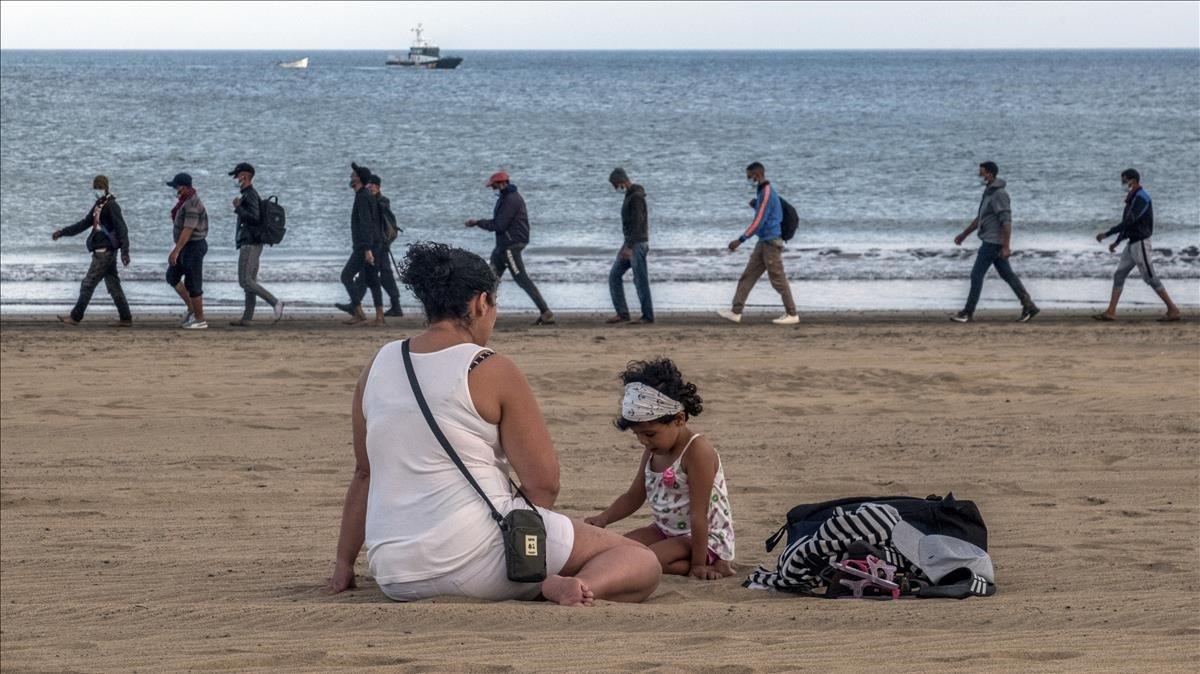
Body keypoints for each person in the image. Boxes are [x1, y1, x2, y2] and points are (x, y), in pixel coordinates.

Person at [327, 242, 661, 605]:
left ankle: (540, 577)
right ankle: (560, 583)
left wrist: (344, 563)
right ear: (480, 303)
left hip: (395, 572)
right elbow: (543, 484)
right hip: (474, 559)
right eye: (494, 305)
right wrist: (526, 548)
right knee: (639, 561)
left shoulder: (377, 364)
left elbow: (365, 473)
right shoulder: (490, 367)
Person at [585, 358, 736, 579]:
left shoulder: (697, 451)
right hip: (664, 530)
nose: (643, 442)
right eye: (637, 435)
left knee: (647, 559)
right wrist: (603, 519)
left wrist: (697, 566)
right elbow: (633, 496)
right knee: (618, 550)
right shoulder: (655, 450)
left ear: (679, 419)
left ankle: (718, 564)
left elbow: (699, 515)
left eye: (650, 434)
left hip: (702, 537)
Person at [951, 161, 1039, 323]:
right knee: (1008, 275)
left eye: (982, 172)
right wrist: (964, 234)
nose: (980, 175)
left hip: (993, 243)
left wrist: (1006, 246)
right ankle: (1029, 306)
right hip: (992, 241)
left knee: (976, 275)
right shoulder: (989, 192)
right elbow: (981, 218)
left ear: (990, 174)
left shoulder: (999, 194)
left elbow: (1006, 221)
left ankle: (967, 312)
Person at [466, 171, 555, 325]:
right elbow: (499, 223)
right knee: (489, 281)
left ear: (501, 183)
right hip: (502, 247)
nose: (492, 188)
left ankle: (545, 311)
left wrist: (478, 223)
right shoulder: (506, 197)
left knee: (521, 279)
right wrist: (480, 223)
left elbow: (499, 225)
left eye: (493, 185)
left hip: (510, 246)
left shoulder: (510, 200)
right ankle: (482, 315)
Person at [1093, 169, 1181, 322]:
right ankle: (1111, 311)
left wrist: (1107, 234)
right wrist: (1118, 241)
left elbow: (1129, 221)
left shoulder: (1141, 197)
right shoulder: (1132, 197)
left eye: (1124, 180)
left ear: (1132, 180)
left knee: (1150, 277)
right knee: (1119, 274)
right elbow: (1129, 224)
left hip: (1140, 243)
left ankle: (1173, 309)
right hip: (1132, 243)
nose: (1123, 183)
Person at [717, 162, 799, 325]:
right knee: (747, 276)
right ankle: (736, 311)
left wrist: (740, 240)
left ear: (757, 174)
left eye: (749, 175)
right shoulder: (762, 192)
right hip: (763, 242)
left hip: (771, 243)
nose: (748, 178)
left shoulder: (767, 192)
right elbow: (767, 214)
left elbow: (759, 221)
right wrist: (756, 205)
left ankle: (792, 314)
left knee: (778, 280)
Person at [53, 175, 133, 327]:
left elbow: (122, 229)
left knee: (88, 284)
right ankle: (126, 318)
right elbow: (84, 224)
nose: (97, 190)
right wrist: (62, 232)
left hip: (104, 252)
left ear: (106, 187)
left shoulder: (111, 206)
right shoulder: (99, 205)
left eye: (99, 188)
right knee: (113, 285)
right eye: (95, 188)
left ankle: (75, 317)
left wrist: (125, 251)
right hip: (104, 251)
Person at [228, 162, 284, 327]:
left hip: (250, 243)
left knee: (245, 281)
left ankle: (275, 303)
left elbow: (255, 218)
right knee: (249, 281)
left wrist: (238, 208)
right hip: (253, 242)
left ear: (244, 176)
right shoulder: (248, 194)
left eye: (237, 175)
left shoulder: (250, 194)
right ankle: (247, 318)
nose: (235, 179)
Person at [338, 163, 385, 326]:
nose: (351, 177)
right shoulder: (364, 196)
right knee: (372, 280)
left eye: (354, 175)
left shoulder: (364, 197)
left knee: (346, 276)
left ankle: (359, 312)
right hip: (372, 245)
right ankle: (379, 317)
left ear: (359, 179)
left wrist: (367, 249)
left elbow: (366, 224)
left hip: (366, 246)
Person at [605, 168, 653, 324]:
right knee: (614, 275)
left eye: (615, 183)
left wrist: (630, 247)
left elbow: (638, 224)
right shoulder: (630, 195)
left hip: (637, 243)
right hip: (631, 242)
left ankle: (647, 316)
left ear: (621, 180)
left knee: (640, 280)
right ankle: (622, 313)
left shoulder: (636, 197)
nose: (614, 187)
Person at [165, 172, 209, 330]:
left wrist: (176, 251)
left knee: (193, 283)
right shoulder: (184, 202)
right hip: (185, 246)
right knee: (172, 276)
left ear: (183, 187)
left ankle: (200, 319)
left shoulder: (192, 204)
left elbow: (188, 230)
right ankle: (192, 309)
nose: (175, 190)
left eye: (176, 187)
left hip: (193, 246)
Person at [361, 174, 404, 317]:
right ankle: (395, 306)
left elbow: (387, 220)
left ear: (378, 187)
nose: (370, 187)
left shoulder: (382, 201)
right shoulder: (369, 200)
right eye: (369, 185)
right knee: (379, 275)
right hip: (376, 244)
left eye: (373, 185)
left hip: (381, 244)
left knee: (383, 275)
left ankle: (395, 306)